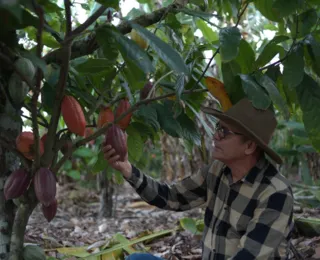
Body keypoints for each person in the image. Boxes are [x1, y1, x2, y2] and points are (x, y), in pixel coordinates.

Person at [102, 98, 294, 260]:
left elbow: (248, 256)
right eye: (219, 128)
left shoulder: (275, 193)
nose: (215, 136)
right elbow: (171, 197)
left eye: (225, 132)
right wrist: (127, 169)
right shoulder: (218, 171)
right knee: (138, 259)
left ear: (250, 146)